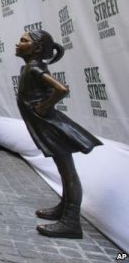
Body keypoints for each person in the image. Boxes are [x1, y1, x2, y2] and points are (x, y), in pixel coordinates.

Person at [14, 30, 102, 238]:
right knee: (64, 170)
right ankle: (64, 207)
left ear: (36, 48)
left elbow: (61, 89)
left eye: (23, 41)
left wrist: (44, 107)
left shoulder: (34, 68)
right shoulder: (29, 67)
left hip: (50, 126)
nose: (17, 44)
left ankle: (71, 222)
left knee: (67, 171)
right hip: (44, 124)